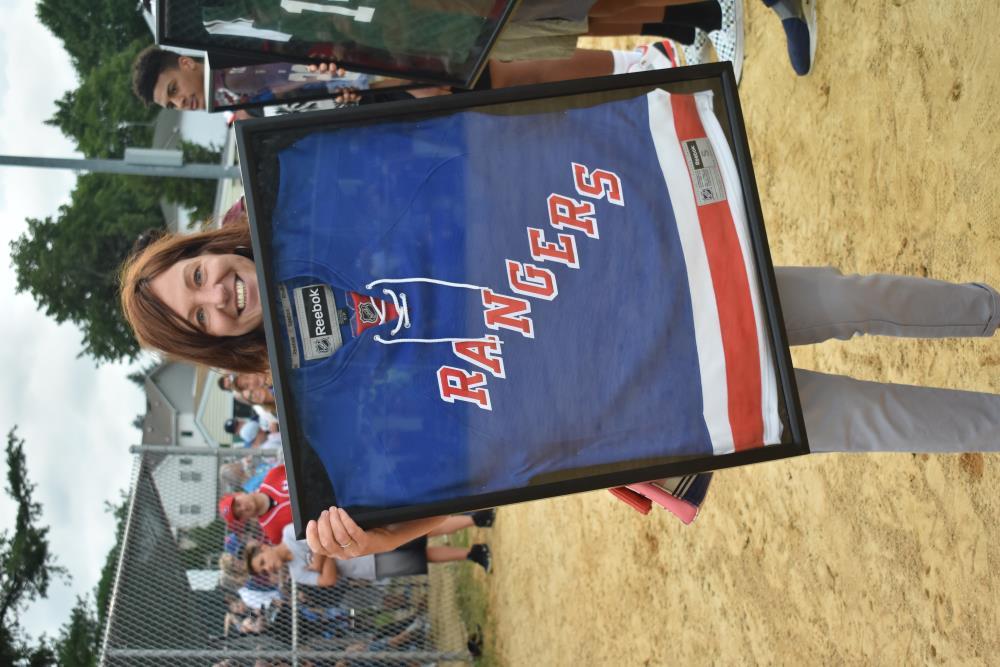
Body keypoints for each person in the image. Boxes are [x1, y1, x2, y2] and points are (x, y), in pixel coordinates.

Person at [119, 217, 1000, 557]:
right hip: (638, 400)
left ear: (204, 249)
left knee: (846, 298)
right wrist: (379, 530)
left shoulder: (323, 194)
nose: (214, 293)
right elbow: (471, 492)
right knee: (860, 416)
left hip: (636, 279)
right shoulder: (328, 418)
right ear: (213, 344)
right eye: (196, 314)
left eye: (194, 275)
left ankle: (989, 310)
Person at [245, 517, 492, 587]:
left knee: (421, 532)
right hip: (367, 566)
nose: (269, 568)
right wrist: (326, 553)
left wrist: (323, 556)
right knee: (421, 558)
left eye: (262, 562)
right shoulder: (297, 575)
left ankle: (475, 519)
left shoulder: (290, 532)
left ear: (265, 548)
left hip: (368, 539)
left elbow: (321, 532)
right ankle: (473, 553)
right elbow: (328, 579)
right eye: (264, 571)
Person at [219, 463, 293, 544]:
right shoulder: (274, 532)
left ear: (240, 494)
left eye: (238, 504)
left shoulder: (273, 475)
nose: (243, 508)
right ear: (243, 519)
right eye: (240, 514)